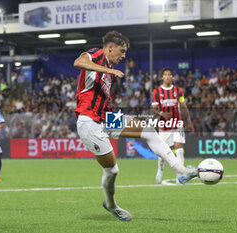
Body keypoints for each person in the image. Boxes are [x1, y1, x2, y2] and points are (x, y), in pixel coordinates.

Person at [73, 31, 197, 221]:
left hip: (105, 117)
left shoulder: (108, 67)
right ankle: (111, 204)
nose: (123, 56)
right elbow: (78, 62)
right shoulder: (97, 55)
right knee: (112, 170)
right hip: (89, 122)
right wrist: (109, 71)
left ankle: (181, 171)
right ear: (110, 47)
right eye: (121, 51)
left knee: (149, 131)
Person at [151, 67, 194, 184]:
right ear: (162, 77)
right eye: (165, 74)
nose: (168, 76)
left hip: (177, 123)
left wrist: (189, 122)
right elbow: (154, 108)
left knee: (178, 147)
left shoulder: (178, 91)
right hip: (164, 126)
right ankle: (160, 168)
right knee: (162, 151)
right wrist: (162, 113)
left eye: (170, 74)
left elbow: (183, 106)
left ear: (172, 77)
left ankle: (180, 175)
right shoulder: (157, 91)